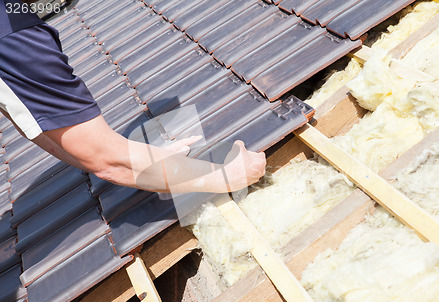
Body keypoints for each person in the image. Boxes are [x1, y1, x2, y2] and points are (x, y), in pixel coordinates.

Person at [0, 0, 266, 194]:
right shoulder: (13, 37)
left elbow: (40, 127)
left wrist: (152, 162)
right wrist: (226, 176)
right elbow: (107, 161)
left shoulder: (11, 16)